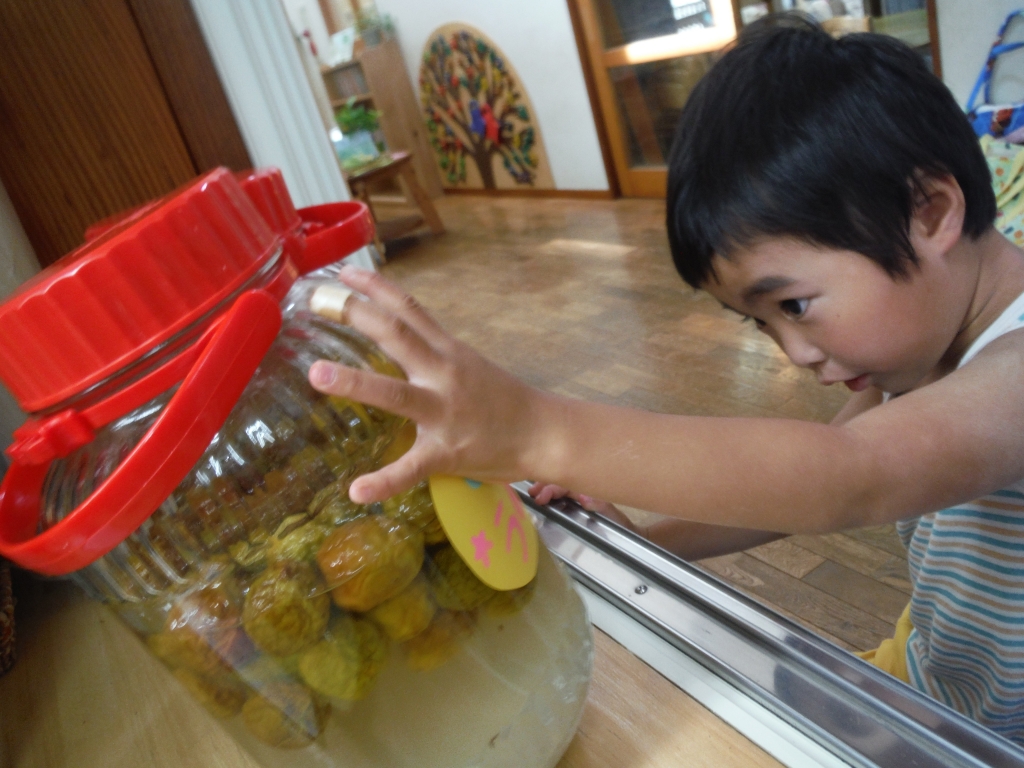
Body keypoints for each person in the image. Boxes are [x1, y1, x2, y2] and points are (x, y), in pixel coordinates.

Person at [307, 16, 1024, 744]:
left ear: (929, 211)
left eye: (795, 305)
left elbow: (851, 477)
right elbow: (796, 490)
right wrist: (651, 543)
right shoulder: (912, 351)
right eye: (762, 323)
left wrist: (535, 431)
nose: (794, 353)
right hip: (942, 679)